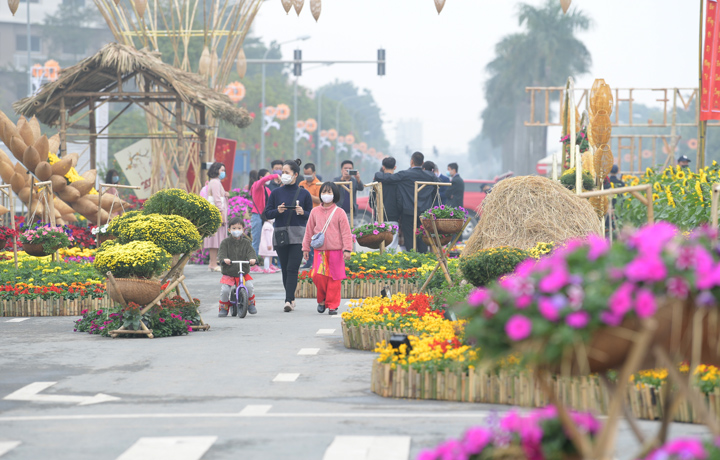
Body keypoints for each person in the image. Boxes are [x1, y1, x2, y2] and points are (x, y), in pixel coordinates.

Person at [264, 159, 313, 312]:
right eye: (282, 172)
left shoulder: (304, 193)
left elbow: (311, 215)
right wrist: (277, 211)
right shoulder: (276, 193)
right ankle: (291, 297)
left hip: (298, 236)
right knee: (285, 268)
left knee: (292, 268)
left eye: (287, 172)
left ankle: (287, 300)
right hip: (281, 234)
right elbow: (267, 213)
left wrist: (302, 212)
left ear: (295, 174)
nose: (283, 175)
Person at [302, 182, 353, 316]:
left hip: (335, 251)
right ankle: (322, 300)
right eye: (324, 192)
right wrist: (305, 248)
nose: (326, 195)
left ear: (334, 195)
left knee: (334, 280)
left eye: (329, 192)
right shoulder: (315, 211)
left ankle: (332, 306)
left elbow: (346, 232)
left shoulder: (340, 212)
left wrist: (347, 249)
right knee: (317, 276)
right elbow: (309, 230)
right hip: (319, 252)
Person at [374, 151, 437, 253]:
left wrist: (377, 174)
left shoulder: (405, 174)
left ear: (411, 162)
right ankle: (424, 259)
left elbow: (389, 178)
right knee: (423, 237)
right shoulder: (430, 176)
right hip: (424, 213)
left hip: (409, 212)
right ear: (422, 162)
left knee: (409, 238)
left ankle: (412, 260)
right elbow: (439, 184)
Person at [217, 217, 257, 317]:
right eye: (234, 228)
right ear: (229, 230)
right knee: (225, 290)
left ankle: (250, 303)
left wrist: (252, 259)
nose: (236, 231)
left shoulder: (246, 243)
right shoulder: (225, 243)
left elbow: (251, 252)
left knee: (249, 286)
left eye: (239, 228)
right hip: (229, 272)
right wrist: (224, 259)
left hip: (243, 272)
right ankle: (224, 307)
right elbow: (221, 254)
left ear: (243, 230)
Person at [250, 168, 280, 273]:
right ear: (261, 177)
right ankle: (253, 265)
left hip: (266, 218)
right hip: (257, 216)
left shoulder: (267, 190)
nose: (269, 178)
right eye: (267, 176)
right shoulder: (257, 186)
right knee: (256, 241)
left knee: (269, 241)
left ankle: (269, 264)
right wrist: (275, 176)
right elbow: (263, 181)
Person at [202, 162, 229, 272]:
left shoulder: (216, 182)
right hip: (217, 214)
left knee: (216, 240)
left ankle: (213, 263)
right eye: (221, 170)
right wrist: (221, 213)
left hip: (217, 213)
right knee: (214, 240)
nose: (223, 172)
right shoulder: (215, 182)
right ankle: (213, 263)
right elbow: (217, 199)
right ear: (216, 170)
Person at [372, 157, 401, 250]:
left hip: (379, 217)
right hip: (393, 217)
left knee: (378, 245)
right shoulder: (398, 182)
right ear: (395, 167)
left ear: (383, 167)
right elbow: (400, 201)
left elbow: (371, 201)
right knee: (392, 247)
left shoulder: (376, 182)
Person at [299, 163, 324, 269]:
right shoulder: (301, 183)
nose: (307, 176)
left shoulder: (318, 184)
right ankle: (308, 260)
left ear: (314, 173)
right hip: (303, 214)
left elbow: (319, 199)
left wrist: (307, 194)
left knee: (315, 238)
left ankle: (315, 260)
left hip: (315, 215)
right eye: (305, 174)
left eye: (309, 174)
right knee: (306, 238)